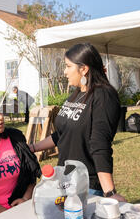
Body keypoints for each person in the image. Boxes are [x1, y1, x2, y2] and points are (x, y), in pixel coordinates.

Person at [30, 43, 126, 202]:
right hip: (64, 179)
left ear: (84, 69)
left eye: (68, 66)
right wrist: (33, 148)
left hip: (86, 184)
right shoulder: (76, 94)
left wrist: (109, 192)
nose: (65, 71)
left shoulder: (103, 96)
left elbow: (100, 144)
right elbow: (62, 134)